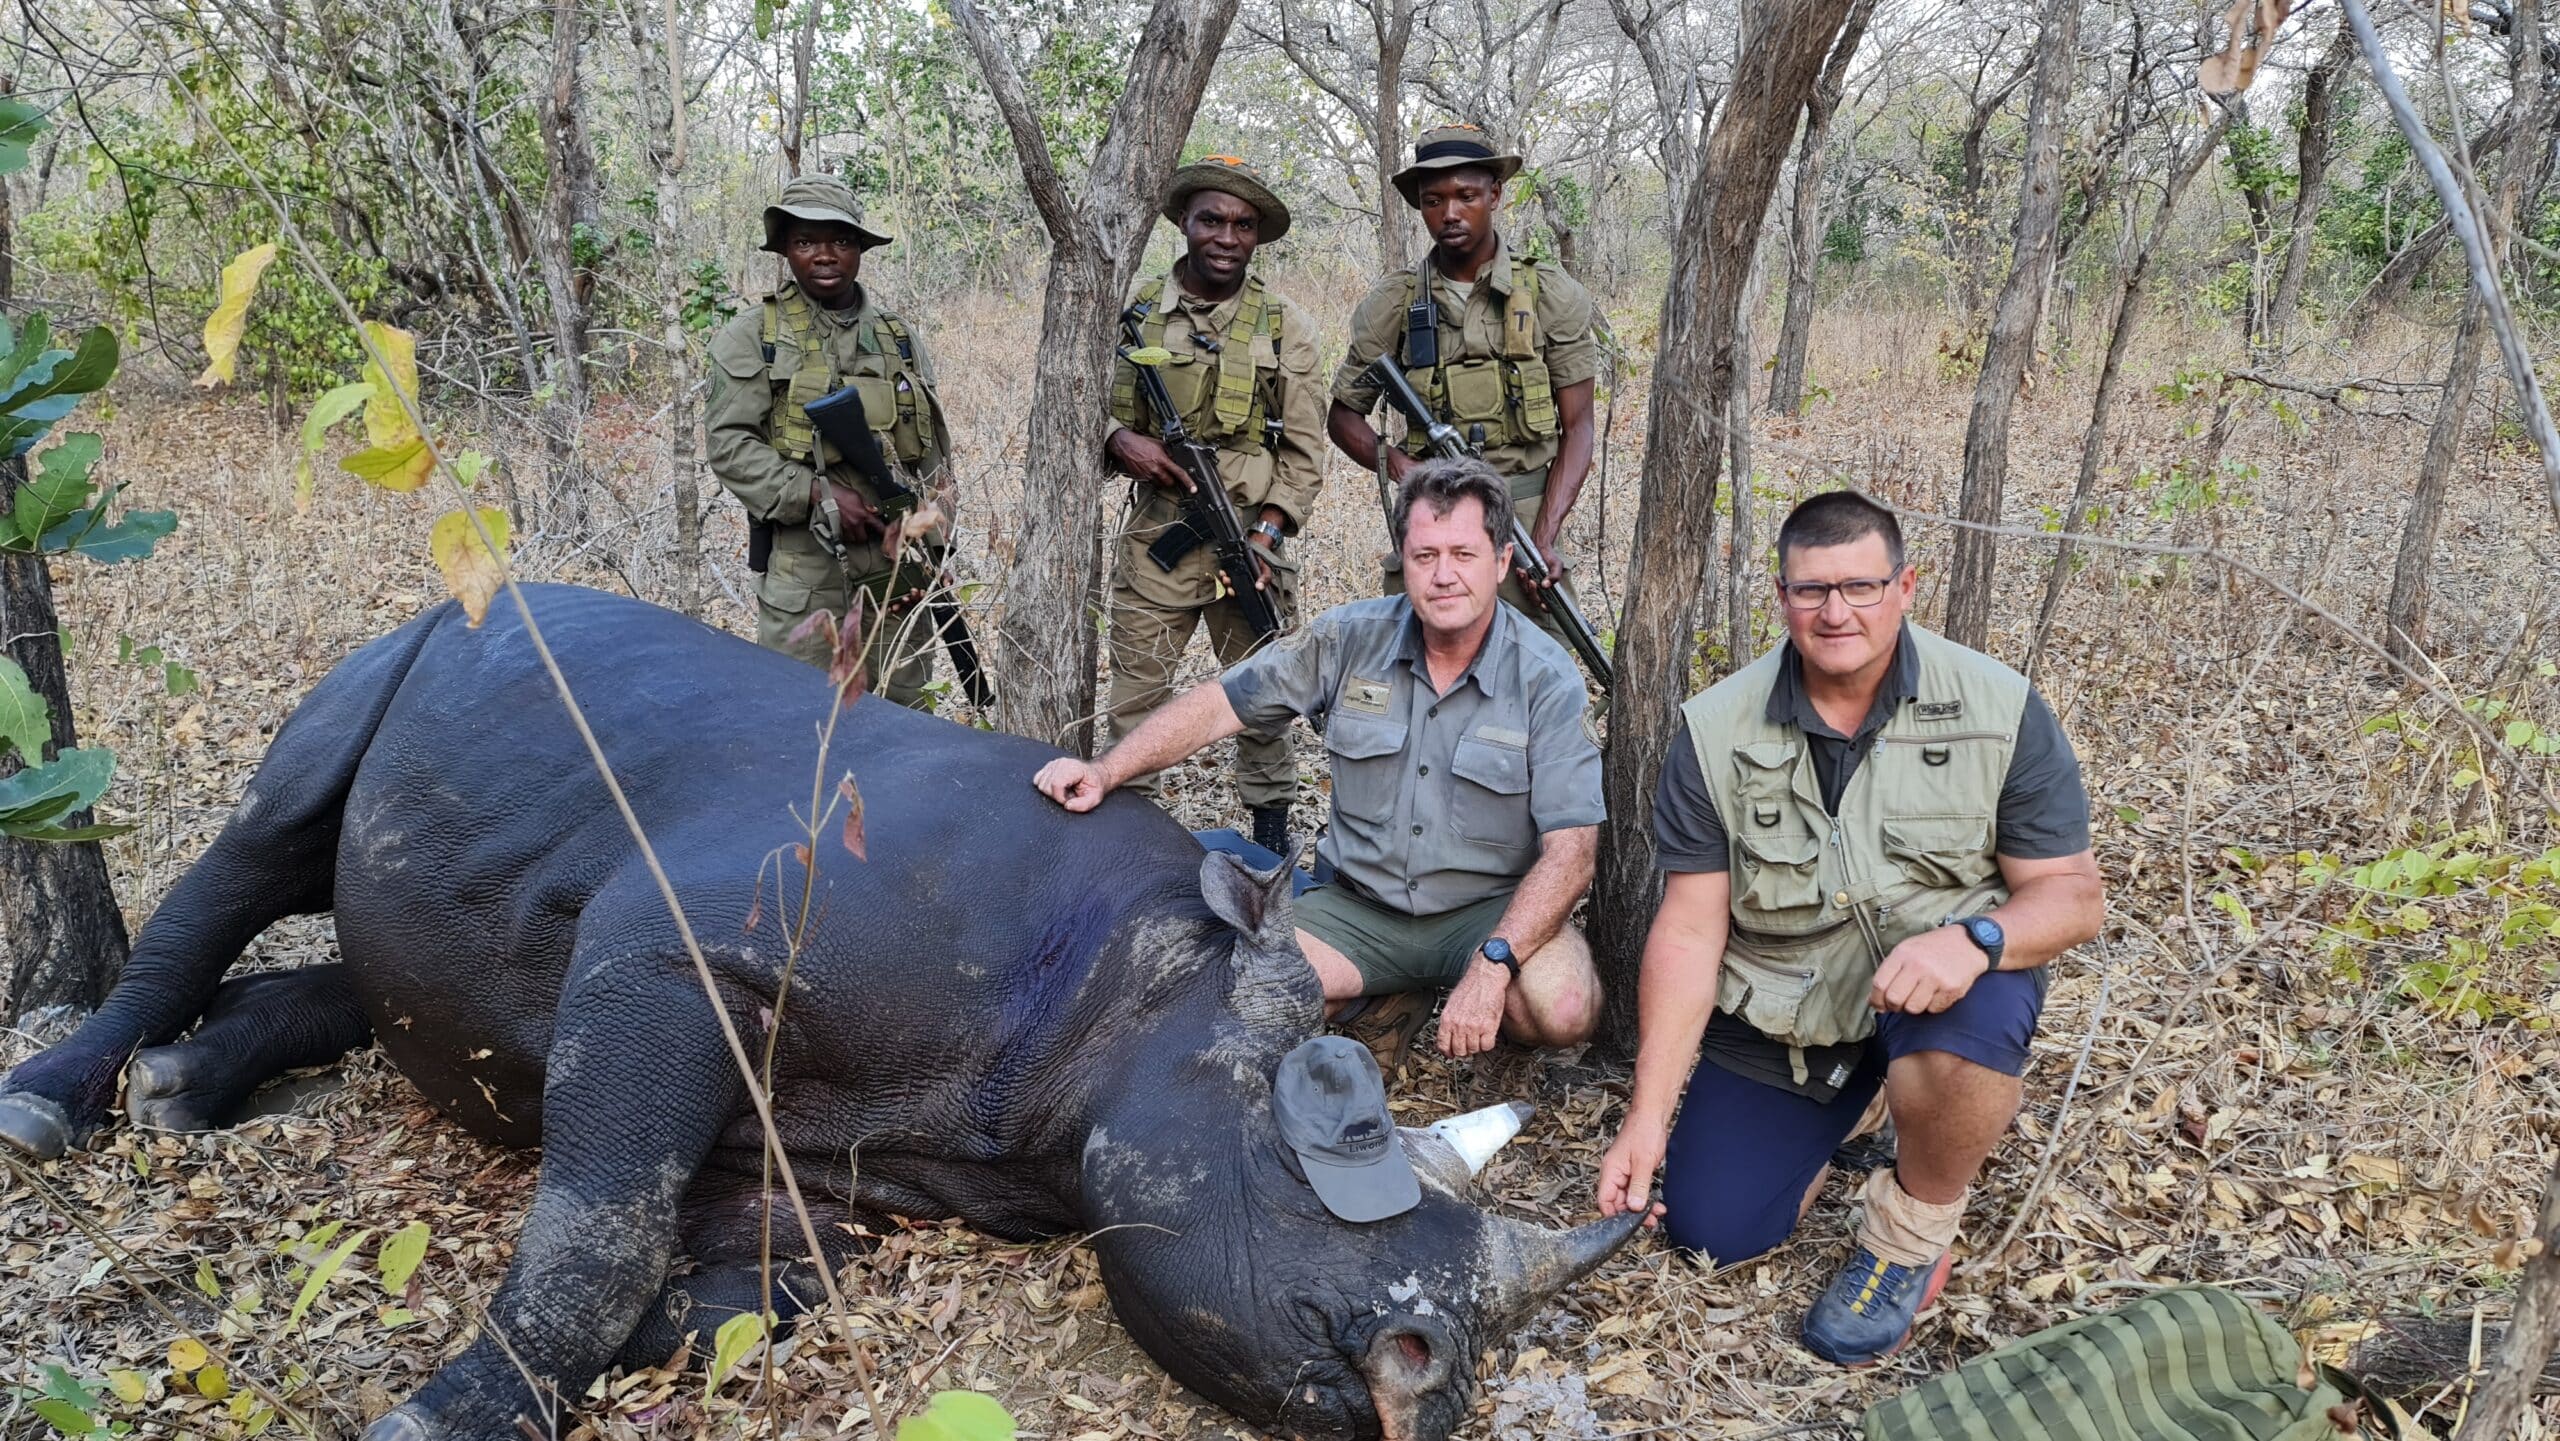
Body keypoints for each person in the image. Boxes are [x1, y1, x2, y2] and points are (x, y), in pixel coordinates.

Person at [1594, 491, 2105, 1366]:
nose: (1837, 612)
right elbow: (1687, 931)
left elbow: (2071, 896)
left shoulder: (1998, 706)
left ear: (1905, 586)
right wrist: (1647, 1115)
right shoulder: (1714, 732)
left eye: (1862, 587)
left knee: (1961, 1039)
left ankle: (1911, 1231)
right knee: (1714, 1233)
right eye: (1812, 590)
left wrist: (1974, 941)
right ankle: (1866, 1097)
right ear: (1782, 596)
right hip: (1791, 1009)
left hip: (1946, 992)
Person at [1035, 459, 1605, 1074]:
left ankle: (1451, 1001)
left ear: (1499, 563)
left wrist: (1493, 965)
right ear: (1402, 562)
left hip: (1487, 913)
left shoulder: (1545, 676)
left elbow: (1572, 852)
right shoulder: (1347, 639)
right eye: (1424, 556)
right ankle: (1383, 998)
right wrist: (1106, 770)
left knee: (1564, 1008)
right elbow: (1220, 706)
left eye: (1464, 555)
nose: (1444, 576)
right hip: (1360, 912)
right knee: (1237, 990)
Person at [1102, 156, 1326, 853]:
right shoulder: (1135, 316)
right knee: (1135, 705)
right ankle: (1127, 849)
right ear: (1183, 224)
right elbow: (1087, 414)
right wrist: (1120, 441)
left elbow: (1306, 452)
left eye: (1243, 224)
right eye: (1211, 220)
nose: (1227, 236)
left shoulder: (1285, 326)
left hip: (1249, 550)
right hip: (1158, 547)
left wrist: (1265, 532)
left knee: (1264, 705)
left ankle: (1268, 842)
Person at [1326, 122, 1601, 674]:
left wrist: (1542, 537)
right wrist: (1406, 471)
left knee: (1540, 672)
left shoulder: (1549, 293)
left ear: (1495, 196)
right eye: (1434, 201)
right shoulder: (1395, 302)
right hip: (1436, 516)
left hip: (1522, 511)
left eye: (1466, 196)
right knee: (1427, 671)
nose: (1450, 213)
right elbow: (1342, 416)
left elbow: (1579, 428)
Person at [706, 175, 955, 706]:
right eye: (805, 242)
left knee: (904, 717)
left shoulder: (898, 337)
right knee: (798, 721)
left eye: (840, 241)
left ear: (860, 248)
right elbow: (729, 444)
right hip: (806, 568)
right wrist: (816, 493)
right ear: (786, 251)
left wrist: (934, 538)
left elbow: (932, 451)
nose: (824, 256)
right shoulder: (755, 335)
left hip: (897, 564)